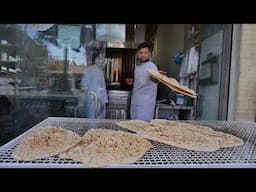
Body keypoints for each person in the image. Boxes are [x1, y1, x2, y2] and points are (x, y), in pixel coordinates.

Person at [130, 42, 159, 121]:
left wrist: (159, 77)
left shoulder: (152, 66)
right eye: (141, 53)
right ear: (137, 54)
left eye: (146, 53)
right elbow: (140, 82)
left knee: (142, 127)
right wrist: (132, 82)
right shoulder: (138, 66)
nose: (143, 55)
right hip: (135, 100)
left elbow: (156, 80)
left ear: (150, 54)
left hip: (146, 103)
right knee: (133, 125)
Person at [81, 40, 108, 119]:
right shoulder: (94, 70)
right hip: (96, 100)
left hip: (97, 100)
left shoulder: (96, 70)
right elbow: (84, 86)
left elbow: (83, 86)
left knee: (95, 121)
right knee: (96, 121)